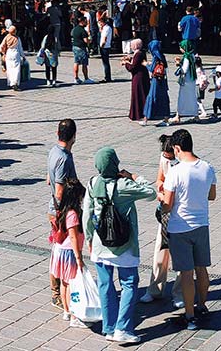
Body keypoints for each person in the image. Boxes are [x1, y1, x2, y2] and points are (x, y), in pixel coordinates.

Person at [82, 147, 156, 344]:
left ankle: (109, 327)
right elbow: (151, 193)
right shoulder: (123, 185)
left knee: (105, 285)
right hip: (124, 244)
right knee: (129, 283)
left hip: (99, 243)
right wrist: (134, 176)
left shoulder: (92, 183)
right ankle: (122, 328)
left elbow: (87, 215)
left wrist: (89, 238)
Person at [159, 129, 217, 331]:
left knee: (186, 274)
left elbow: (167, 204)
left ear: (176, 148)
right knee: (202, 268)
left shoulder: (175, 171)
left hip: (180, 227)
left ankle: (190, 315)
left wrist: (160, 202)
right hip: (201, 225)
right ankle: (202, 305)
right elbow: (212, 196)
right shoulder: (207, 168)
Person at [141, 135, 178, 305]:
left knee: (179, 254)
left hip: (179, 213)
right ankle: (154, 289)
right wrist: (160, 190)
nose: (166, 157)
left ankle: (179, 293)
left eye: (169, 155)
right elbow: (159, 178)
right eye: (164, 154)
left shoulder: (182, 162)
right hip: (165, 212)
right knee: (160, 251)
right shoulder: (163, 158)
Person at [46, 119, 78, 307]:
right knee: (61, 251)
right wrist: (62, 215)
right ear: (74, 135)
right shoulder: (64, 158)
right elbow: (58, 189)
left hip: (55, 208)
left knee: (57, 250)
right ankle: (58, 294)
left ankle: (57, 292)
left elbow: (48, 179)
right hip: (60, 210)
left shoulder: (54, 151)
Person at [49, 177, 85, 320]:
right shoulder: (73, 214)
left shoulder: (63, 210)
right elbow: (73, 237)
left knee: (64, 282)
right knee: (71, 283)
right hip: (69, 253)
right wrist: (79, 257)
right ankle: (73, 313)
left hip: (59, 250)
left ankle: (66, 311)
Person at [143, 41, 171, 125]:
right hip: (163, 80)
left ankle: (146, 119)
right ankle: (166, 119)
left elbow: (152, 69)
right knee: (164, 98)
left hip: (156, 81)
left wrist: (146, 64)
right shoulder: (162, 56)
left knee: (151, 96)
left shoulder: (155, 57)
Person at [173, 42, 200, 124]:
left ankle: (178, 115)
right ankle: (195, 115)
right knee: (192, 98)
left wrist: (178, 64)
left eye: (181, 47)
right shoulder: (192, 55)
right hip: (192, 79)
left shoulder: (186, 57)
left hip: (186, 81)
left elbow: (184, 70)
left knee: (182, 98)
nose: (180, 49)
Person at [124, 39, 149, 122]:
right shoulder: (140, 53)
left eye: (132, 45)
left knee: (138, 94)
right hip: (142, 76)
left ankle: (139, 113)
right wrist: (130, 59)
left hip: (138, 77)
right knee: (141, 93)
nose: (131, 46)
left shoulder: (138, 54)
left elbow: (133, 67)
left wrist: (126, 63)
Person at [2, 22, 25, 91]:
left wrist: (3, 53)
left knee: (9, 69)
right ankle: (15, 83)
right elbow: (20, 48)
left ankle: (10, 82)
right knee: (16, 69)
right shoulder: (17, 38)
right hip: (15, 53)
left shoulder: (6, 37)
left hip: (8, 53)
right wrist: (23, 56)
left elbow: (1, 46)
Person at [98, 12, 114, 82]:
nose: (99, 24)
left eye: (100, 23)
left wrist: (102, 46)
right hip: (105, 46)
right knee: (105, 62)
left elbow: (104, 38)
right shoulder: (105, 28)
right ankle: (107, 76)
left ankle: (107, 77)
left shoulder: (107, 28)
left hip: (105, 47)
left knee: (106, 62)